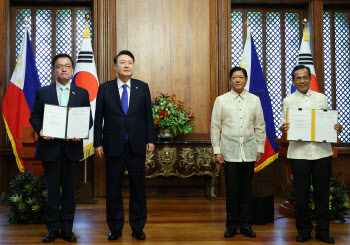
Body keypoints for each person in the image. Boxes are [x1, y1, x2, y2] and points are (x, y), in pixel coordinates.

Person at [30, 54, 93, 243]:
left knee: (68, 191)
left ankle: (67, 229)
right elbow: (34, 116)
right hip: (50, 148)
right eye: (59, 66)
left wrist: (80, 131)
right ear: (54, 71)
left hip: (71, 149)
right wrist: (41, 130)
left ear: (72, 70)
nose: (63, 69)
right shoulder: (44, 92)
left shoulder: (82, 93)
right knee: (52, 191)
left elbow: (87, 119)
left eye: (67, 66)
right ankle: (52, 229)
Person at [94, 50, 155, 241]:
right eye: (122, 62)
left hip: (137, 146)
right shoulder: (105, 89)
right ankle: (115, 227)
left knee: (138, 189)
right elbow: (98, 119)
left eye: (130, 62)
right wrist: (97, 143)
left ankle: (138, 227)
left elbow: (148, 116)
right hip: (113, 146)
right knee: (113, 190)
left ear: (133, 66)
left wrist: (150, 140)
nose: (126, 65)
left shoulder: (142, 87)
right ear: (115, 66)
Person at [280, 65, 342, 244]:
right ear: (293, 81)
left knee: (322, 194)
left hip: (322, 153)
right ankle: (304, 230)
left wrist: (336, 127)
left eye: (304, 77)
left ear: (310, 79)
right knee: (301, 195)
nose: (301, 81)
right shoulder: (288, 101)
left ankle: (323, 231)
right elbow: (285, 123)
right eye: (298, 78)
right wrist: (283, 127)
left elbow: (329, 121)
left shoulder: (321, 98)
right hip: (299, 154)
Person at [211, 66, 266, 239]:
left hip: (249, 151)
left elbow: (260, 126)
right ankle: (232, 225)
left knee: (246, 191)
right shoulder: (221, 100)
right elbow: (215, 127)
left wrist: (260, 148)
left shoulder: (255, 100)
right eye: (234, 77)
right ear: (230, 80)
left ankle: (245, 225)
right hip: (229, 153)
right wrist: (217, 151)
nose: (238, 80)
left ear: (246, 79)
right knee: (232, 191)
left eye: (241, 77)